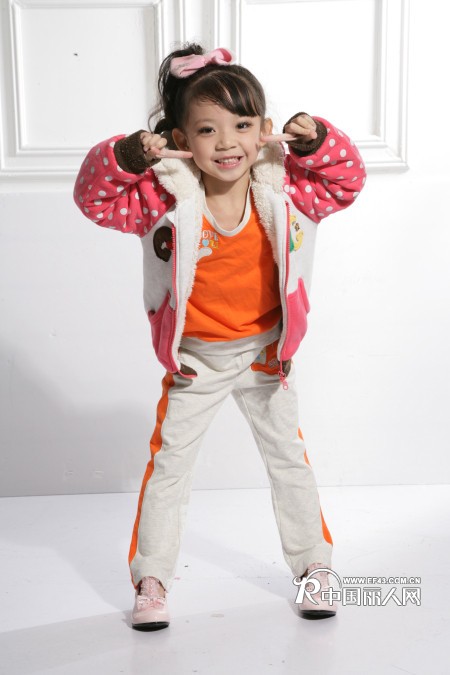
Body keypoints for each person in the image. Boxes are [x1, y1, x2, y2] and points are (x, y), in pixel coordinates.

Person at [73, 43, 366, 629]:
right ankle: (152, 578)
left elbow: (346, 182)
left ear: (264, 130)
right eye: (208, 129)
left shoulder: (287, 188)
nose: (227, 143)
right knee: (169, 467)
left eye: (243, 125)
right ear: (182, 138)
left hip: (265, 356)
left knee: (289, 462)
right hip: (196, 361)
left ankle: (315, 567)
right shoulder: (160, 196)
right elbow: (93, 199)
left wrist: (317, 141)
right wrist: (126, 156)